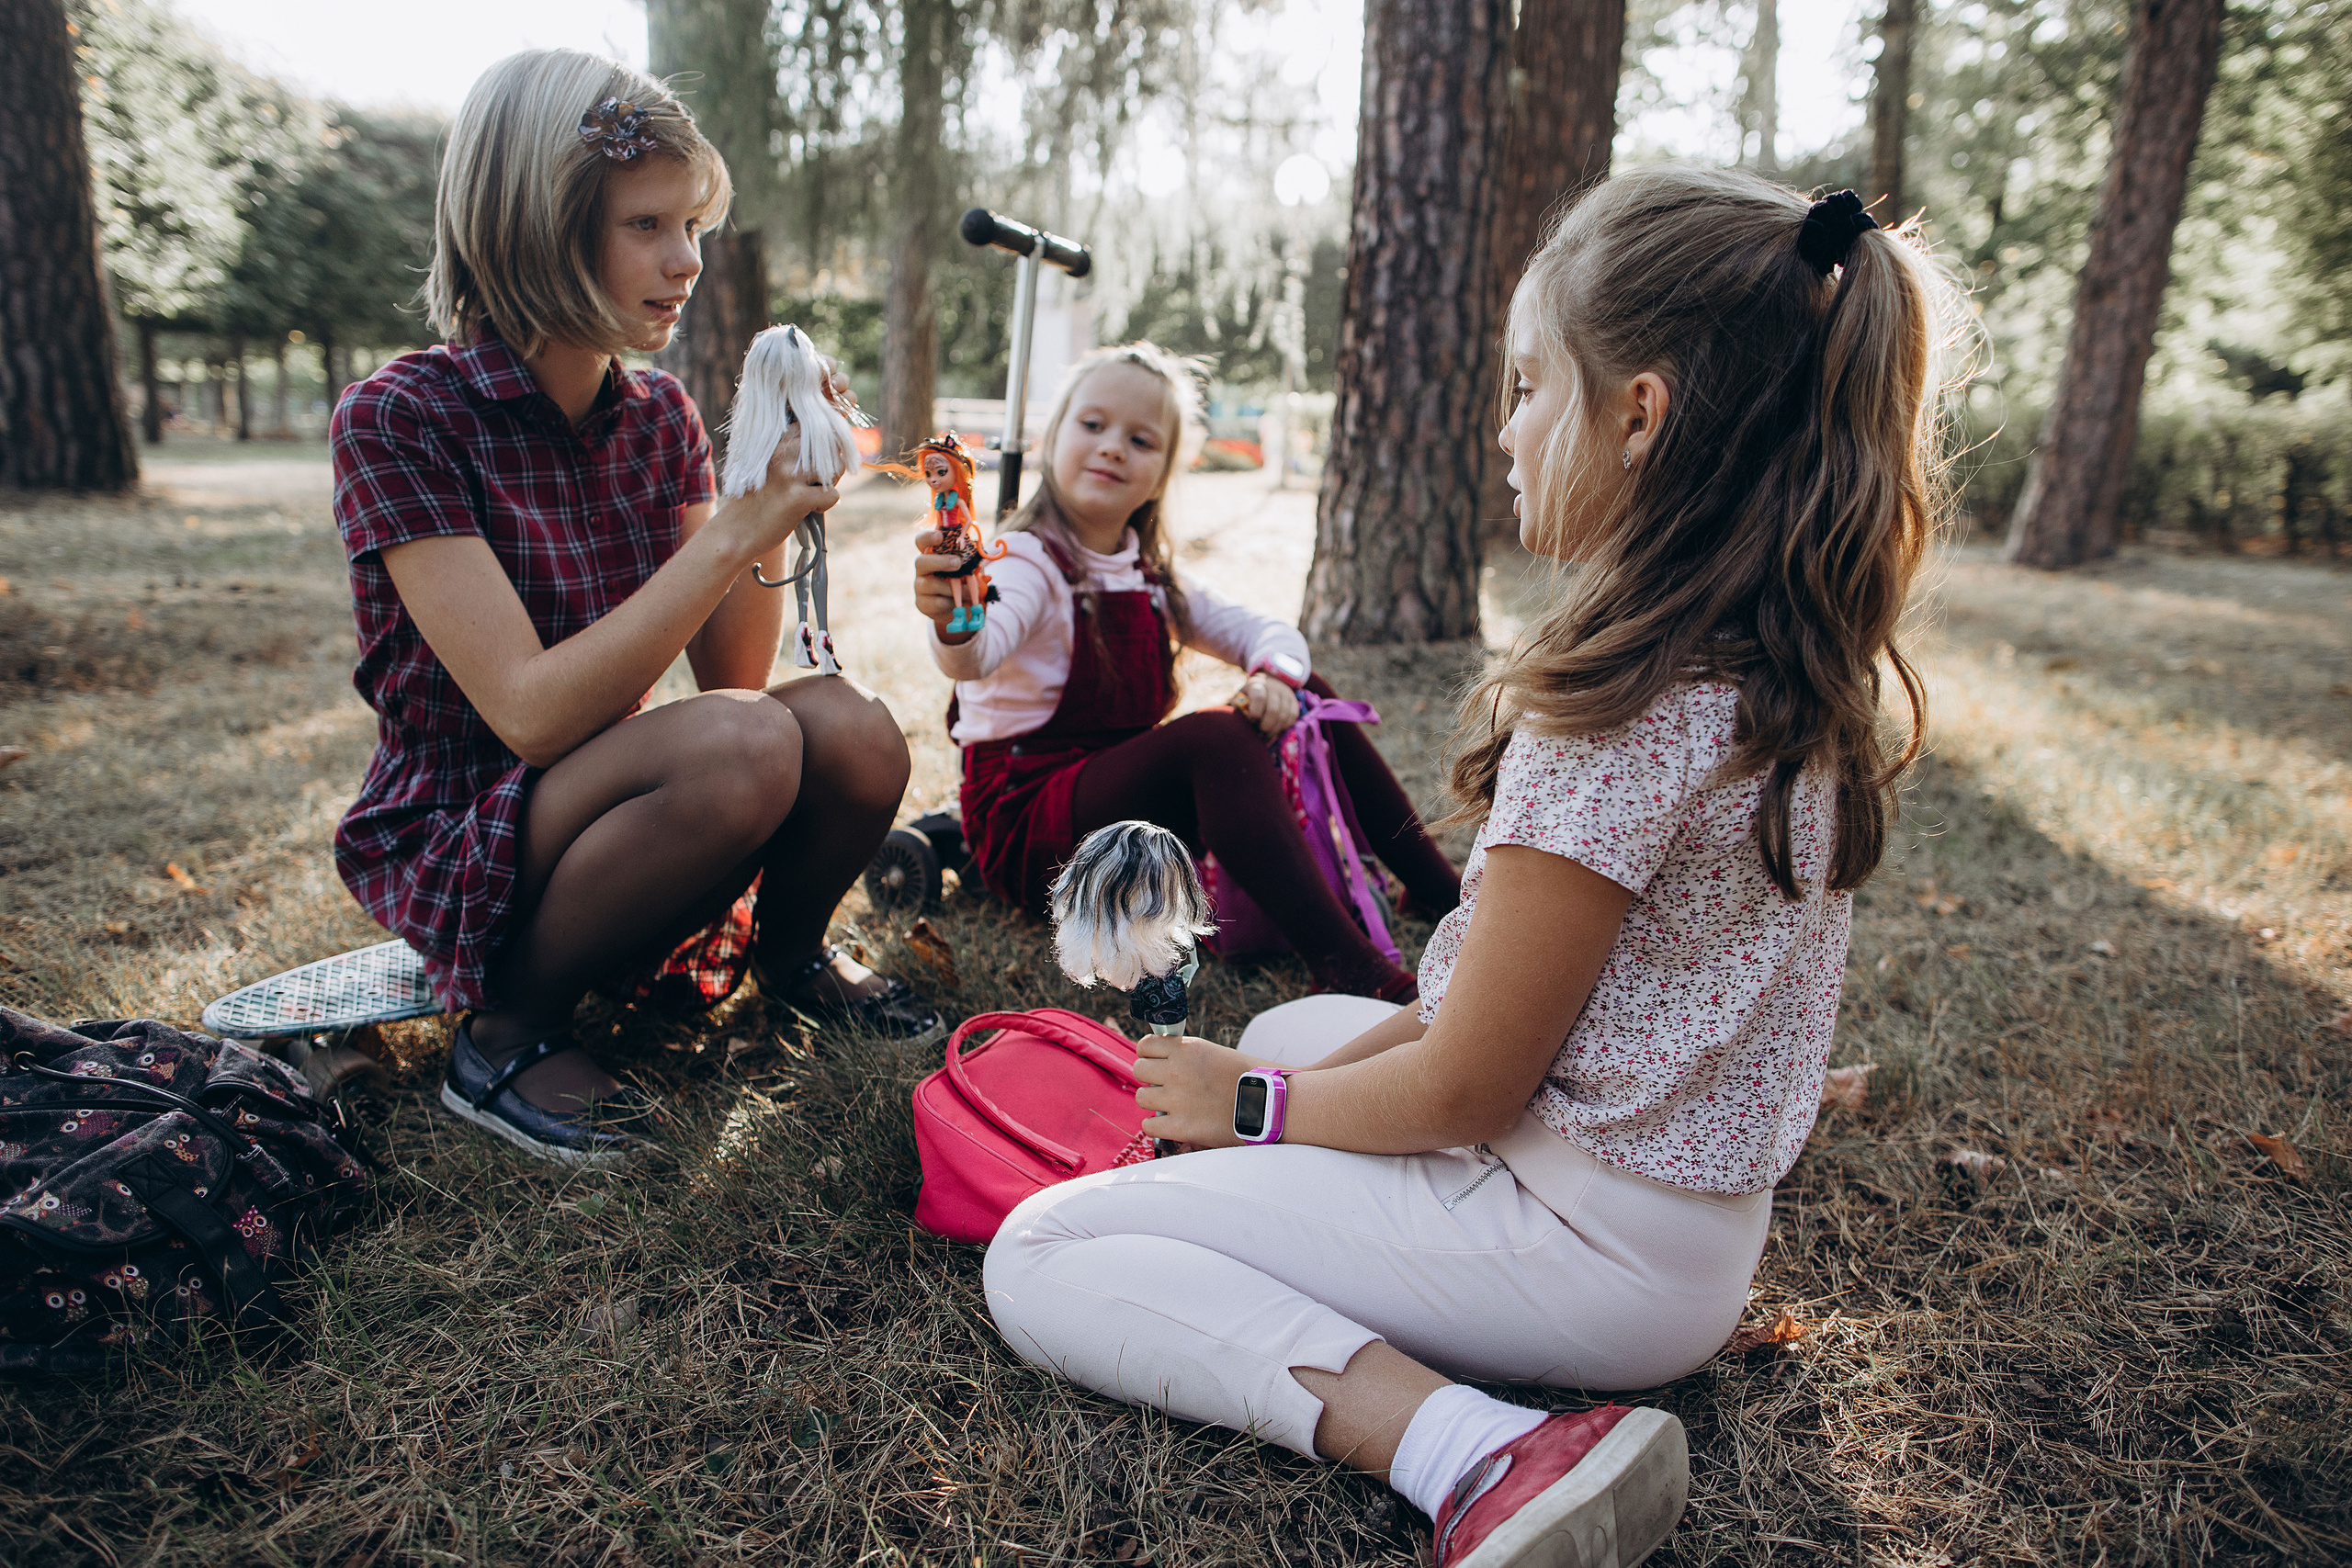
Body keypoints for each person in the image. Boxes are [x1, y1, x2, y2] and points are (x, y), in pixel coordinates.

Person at [982, 169, 1966, 1567]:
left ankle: (1478, 1448)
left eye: (1527, 386)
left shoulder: (1621, 713)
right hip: (1678, 1220)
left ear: (1639, 413)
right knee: (1291, 1025)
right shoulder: (1778, 666)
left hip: (1585, 1240)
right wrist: (1278, 1084)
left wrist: (1254, 1108)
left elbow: (1463, 1085)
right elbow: (1473, 1006)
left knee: (1048, 1250)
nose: (1504, 430)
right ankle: (1320, 1179)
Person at [330, 51, 934, 1170]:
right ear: (535, 230)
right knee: (747, 745)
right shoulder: (401, 418)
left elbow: (735, 684)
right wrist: (726, 536)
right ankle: (507, 1033)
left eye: (693, 225)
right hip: (471, 826)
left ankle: (788, 964)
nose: (687, 261)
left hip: (631, 803)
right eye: (647, 225)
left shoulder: (653, 414)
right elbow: (528, 715)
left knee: (843, 722)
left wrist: (769, 496)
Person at [910, 342, 1459, 1003]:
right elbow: (977, 654)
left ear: (1166, 469)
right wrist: (954, 621)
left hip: (1118, 820)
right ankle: (1351, 966)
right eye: (1093, 425)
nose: (1113, 447)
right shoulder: (1025, 560)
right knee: (1214, 737)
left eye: (1140, 439)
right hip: (1033, 831)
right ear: (1051, 437)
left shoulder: (1150, 575)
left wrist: (1276, 676)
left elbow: (1268, 633)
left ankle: (1441, 894)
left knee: (1305, 690)